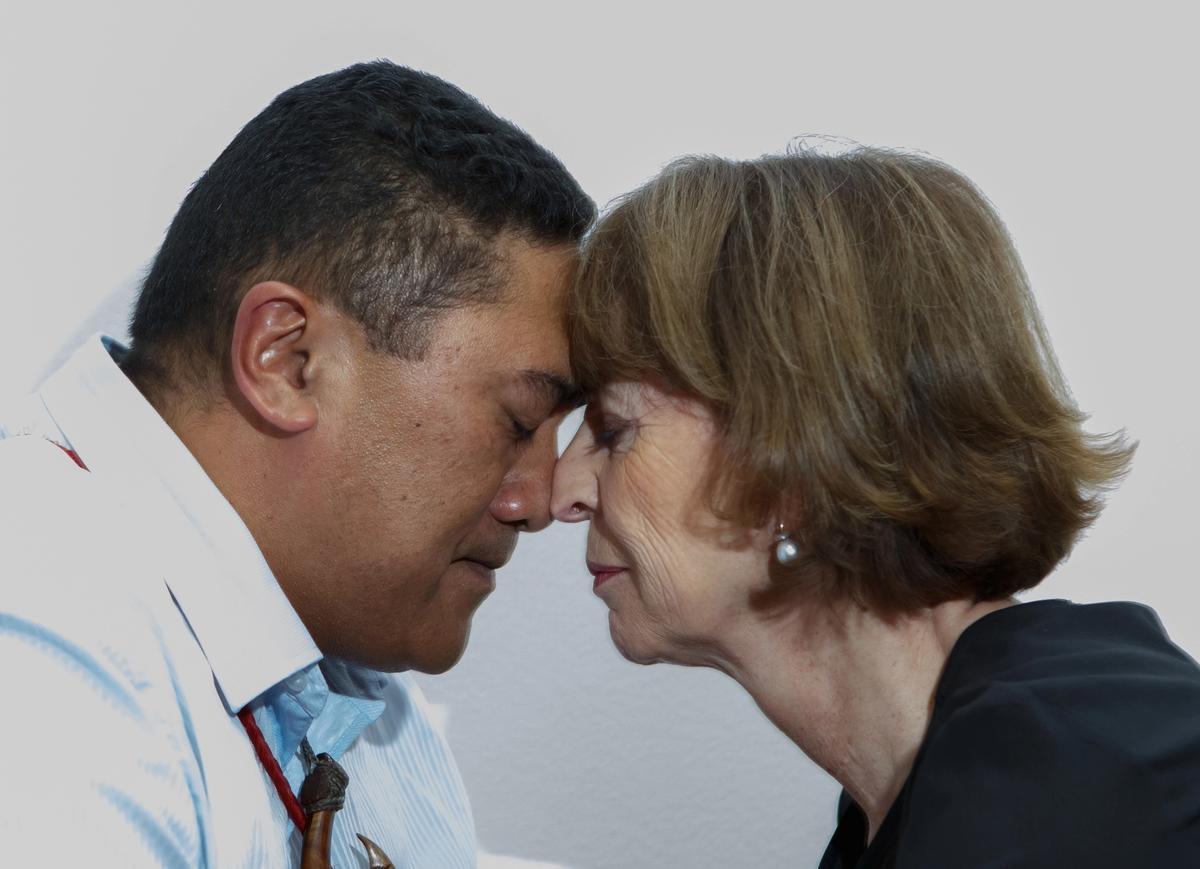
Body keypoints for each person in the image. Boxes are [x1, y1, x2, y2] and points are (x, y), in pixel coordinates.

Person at [0, 60, 593, 867]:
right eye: (519, 420)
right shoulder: (46, 652)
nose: (542, 498)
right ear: (286, 360)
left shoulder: (345, 673)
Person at [551, 147, 1200, 867]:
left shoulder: (1072, 778)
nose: (561, 492)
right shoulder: (932, 793)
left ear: (789, 450)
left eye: (614, 430)